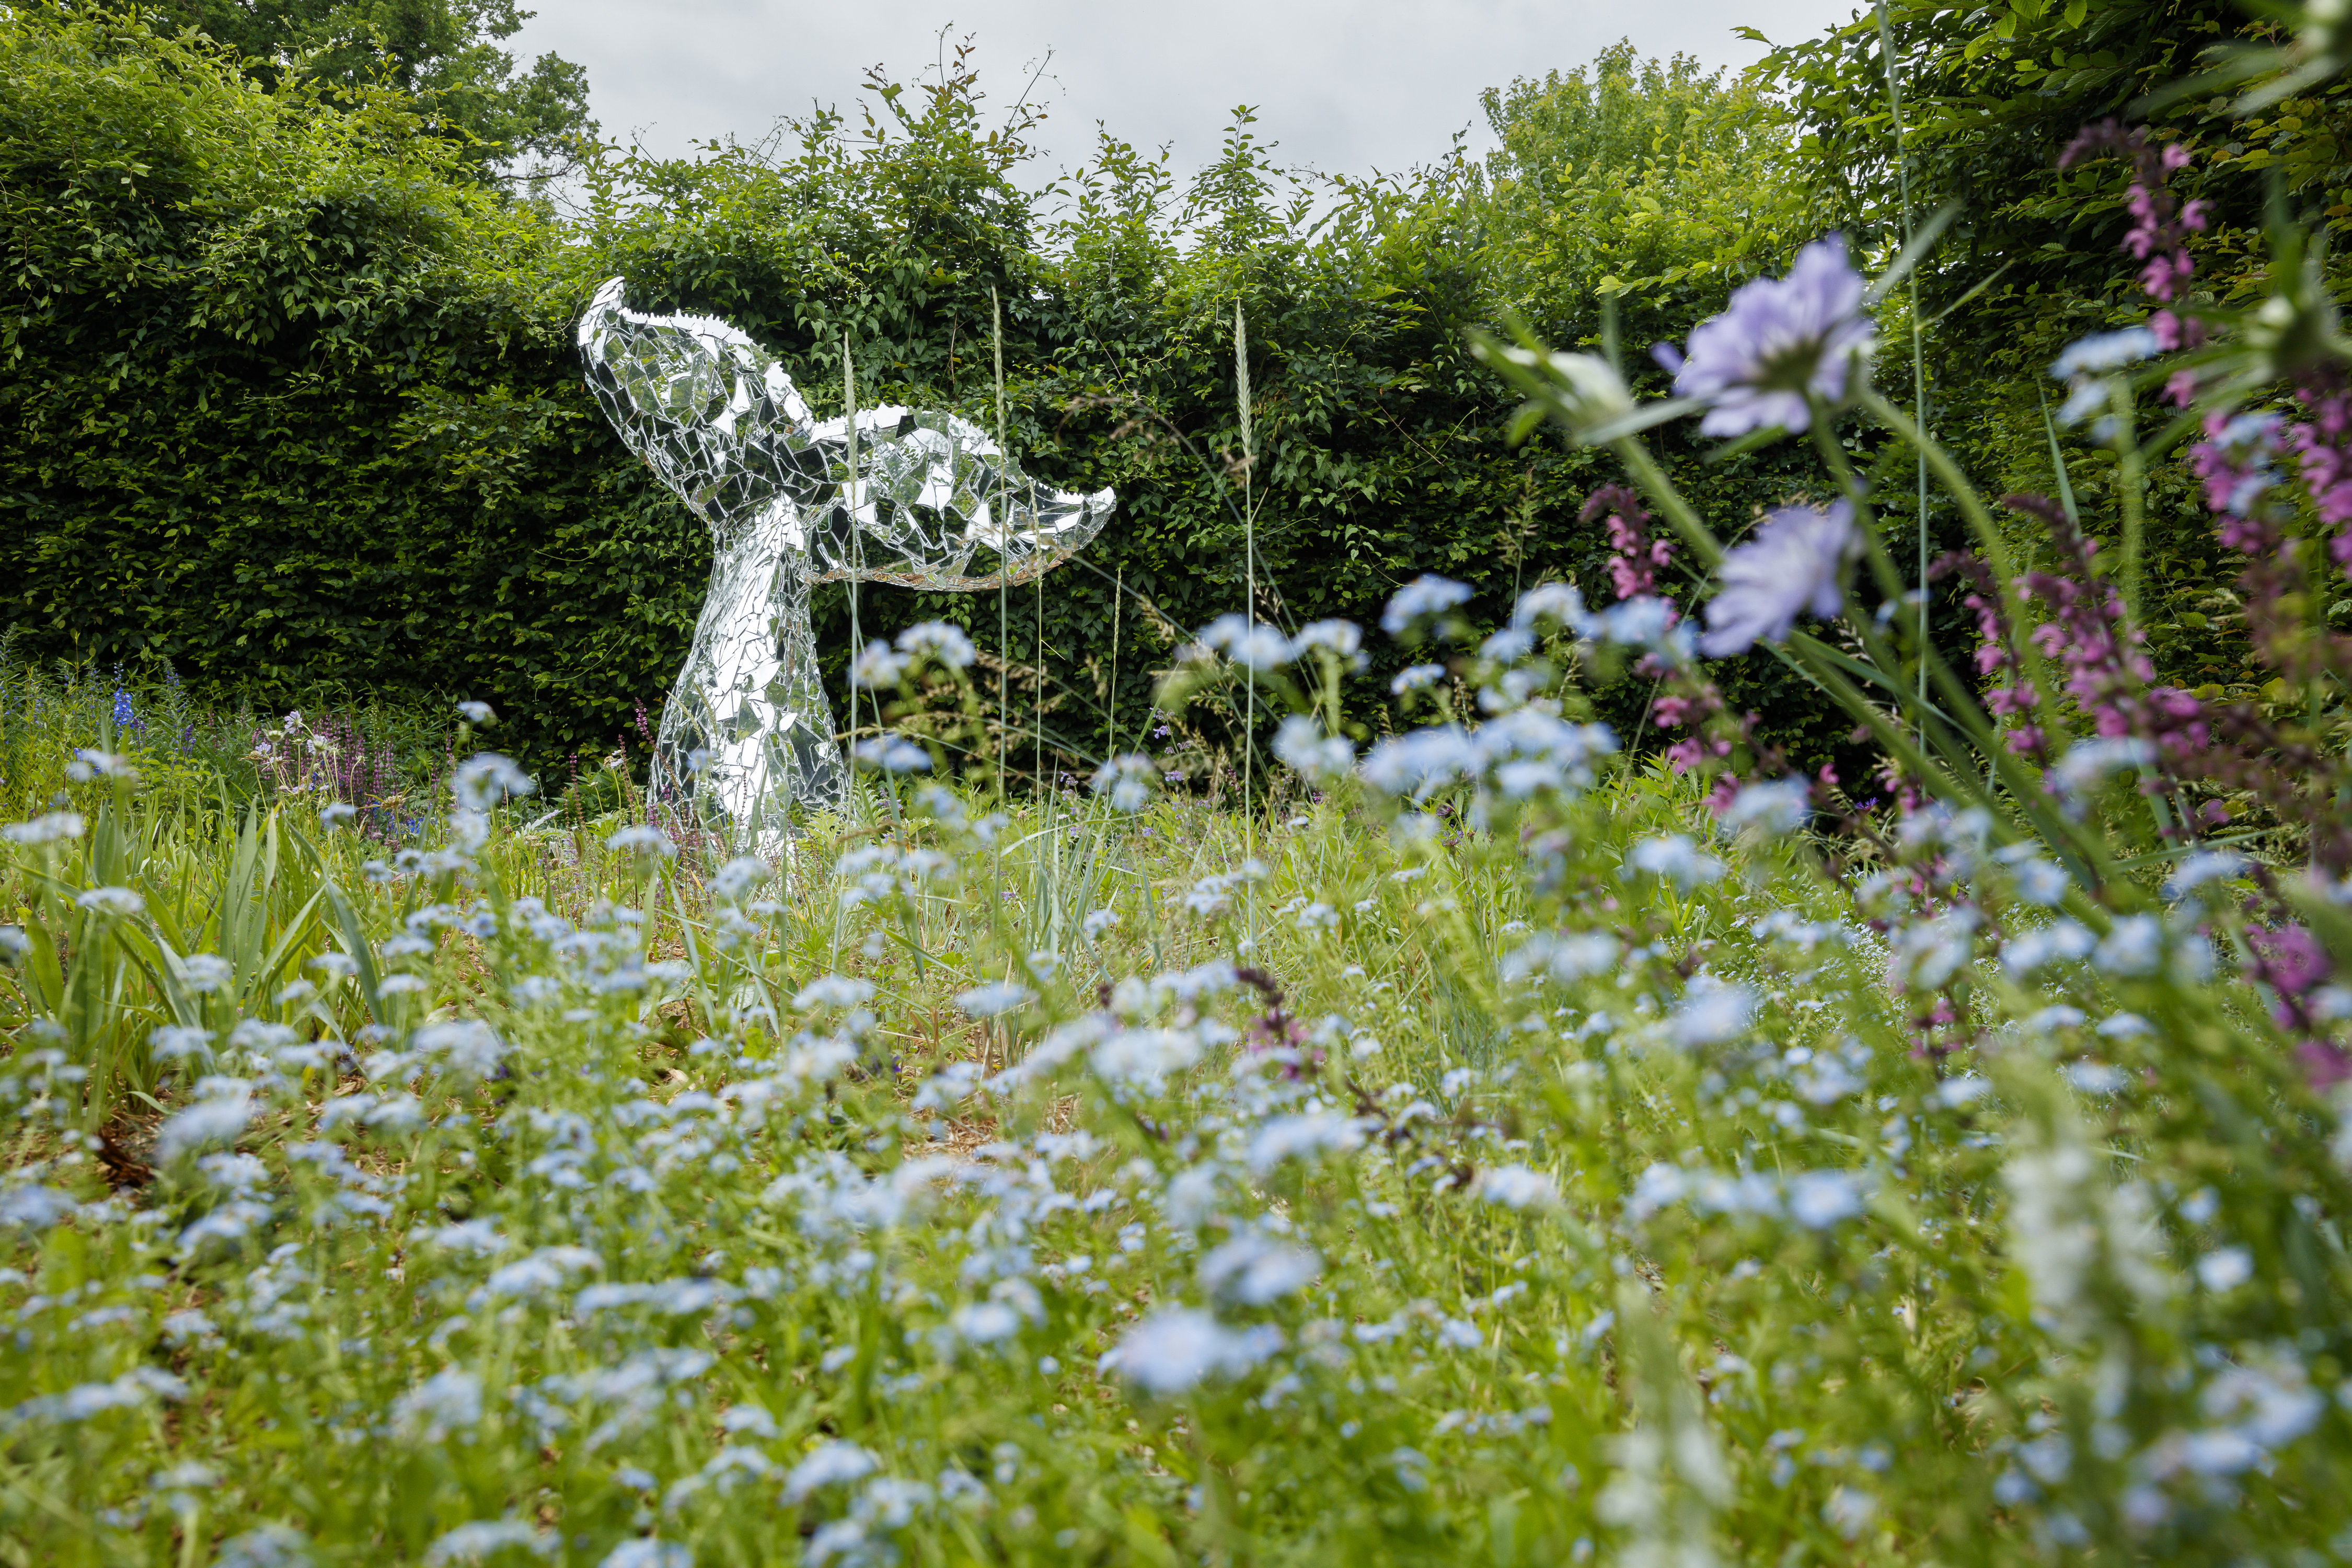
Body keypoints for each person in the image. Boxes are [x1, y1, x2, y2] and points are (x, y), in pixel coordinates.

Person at [577, 277, 1115, 845]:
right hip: (754, 575)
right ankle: (761, 847)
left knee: (760, 700)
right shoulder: (754, 525)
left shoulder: (772, 527)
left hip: (765, 576)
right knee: (748, 699)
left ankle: (779, 851)